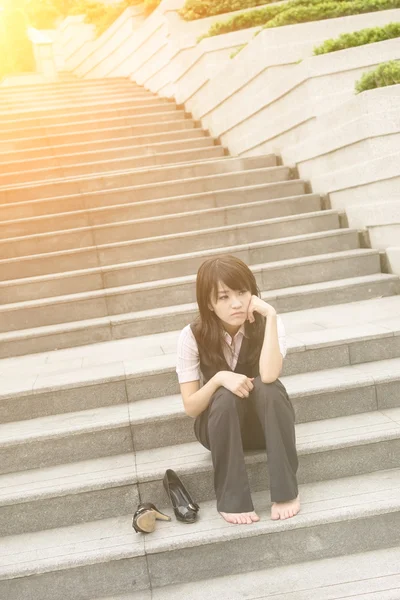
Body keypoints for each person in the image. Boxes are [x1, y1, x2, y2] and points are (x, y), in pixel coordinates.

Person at [176, 255, 300, 525]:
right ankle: (232, 500)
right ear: (209, 303)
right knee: (223, 395)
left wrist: (271, 315)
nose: (235, 303)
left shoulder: (269, 324)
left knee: (269, 388)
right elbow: (191, 407)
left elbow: (268, 375)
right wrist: (219, 378)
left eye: (242, 292)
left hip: (263, 428)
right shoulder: (191, 336)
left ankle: (286, 493)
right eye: (223, 297)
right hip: (218, 427)